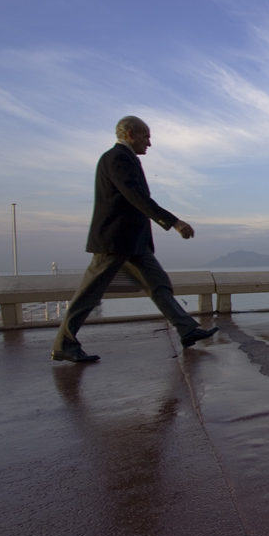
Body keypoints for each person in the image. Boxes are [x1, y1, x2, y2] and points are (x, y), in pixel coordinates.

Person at [51, 116, 217, 363]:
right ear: (130, 135)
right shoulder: (117, 158)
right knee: (89, 294)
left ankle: (186, 329)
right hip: (115, 241)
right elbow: (135, 196)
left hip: (133, 242)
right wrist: (173, 222)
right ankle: (64, 343)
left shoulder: (126, 158)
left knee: (158, 284)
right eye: (145, 137)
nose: (149, 143)